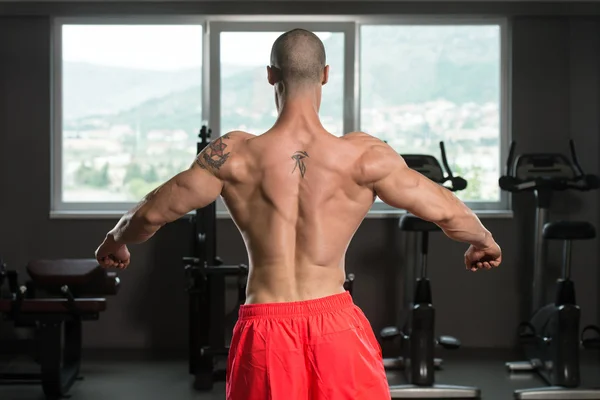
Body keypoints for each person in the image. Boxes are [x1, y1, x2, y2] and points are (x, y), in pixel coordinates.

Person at [95, 29, 502, 400]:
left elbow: (154, 210)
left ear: (271, 75)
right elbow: (443, 207)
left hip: (264, 330)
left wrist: (117, 240)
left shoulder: (233, 154)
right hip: (336, 325)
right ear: (325, 74)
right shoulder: (363, 155)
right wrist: (482, 240)